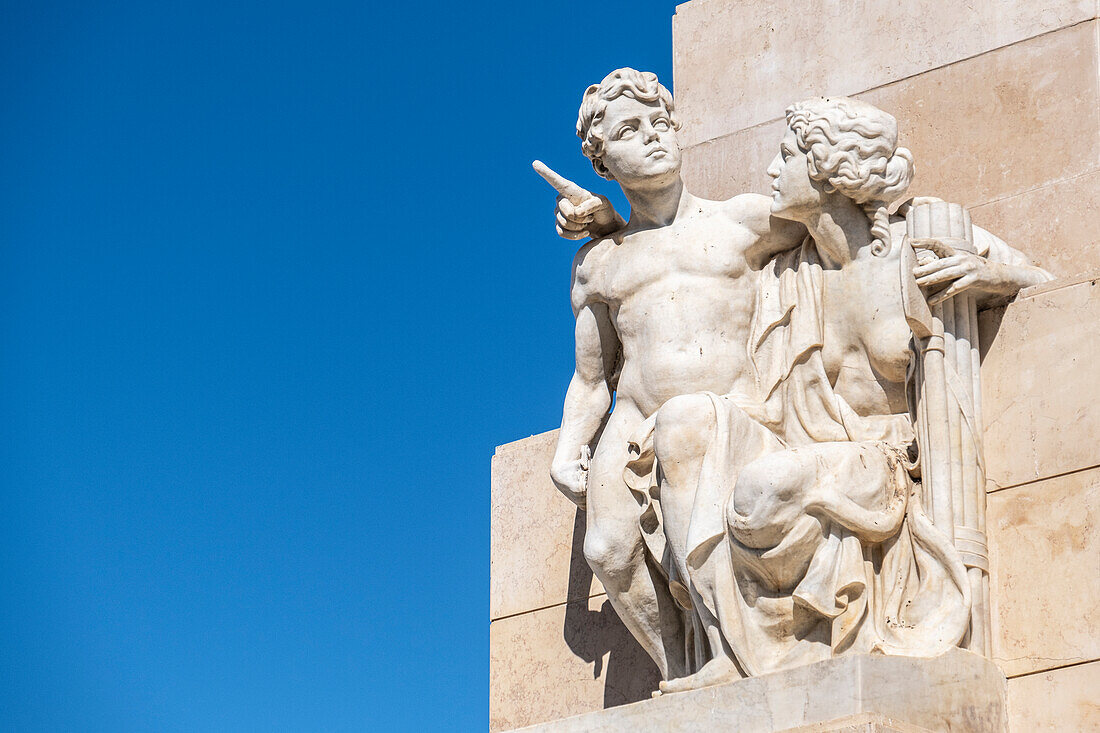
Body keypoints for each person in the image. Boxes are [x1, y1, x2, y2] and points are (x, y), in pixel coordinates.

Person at [655, 96, 1053, 692]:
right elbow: (674, 240)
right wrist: (611, 226)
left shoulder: (917, 241)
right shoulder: (786, 274)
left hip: (883, 460)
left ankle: (767, 648)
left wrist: (996, 276)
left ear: (829, 171)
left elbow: (1051, 283)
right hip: (802, 451)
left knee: (766, 484)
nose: (770, 172)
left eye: (786, 156)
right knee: (684, 420)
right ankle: (722, 646)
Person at [541, 68, 807, 681]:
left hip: (726, 408)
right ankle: (683, 669)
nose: (654, 136)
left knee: (696, 500)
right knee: (606, 549)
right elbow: (590, 378)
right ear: (601, 162)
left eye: (661, 123)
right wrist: (568, 448)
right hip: (634, 417)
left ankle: (729, 657)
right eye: (631, 130)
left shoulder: (739, 221)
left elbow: (832, 220)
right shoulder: (598, 261)